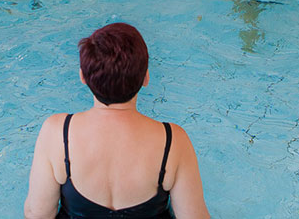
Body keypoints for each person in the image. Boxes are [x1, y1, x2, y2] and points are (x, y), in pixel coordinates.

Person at [24, 23, 210, 219]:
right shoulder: (173, 140)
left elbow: (37, 214)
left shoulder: (57, 132)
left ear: (83, 77)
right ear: (146, 77)